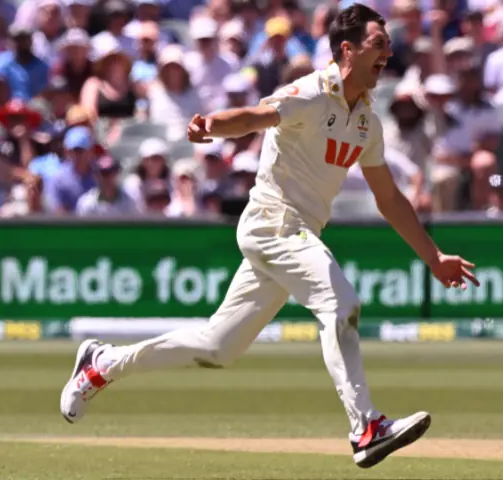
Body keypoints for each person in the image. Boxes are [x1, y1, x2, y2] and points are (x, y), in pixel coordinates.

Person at [59, 4, 478, 470]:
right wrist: (212, 126)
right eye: (378, 44)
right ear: (347, 49)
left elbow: (390, 199)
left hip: (295, 233)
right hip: (273, 222)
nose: (388, 53)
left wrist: (434, 256)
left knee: (217, 346)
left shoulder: (367, 122)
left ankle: (100, 364)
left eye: (387, 45)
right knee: (340, 304)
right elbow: (255, 116)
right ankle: (366, 427)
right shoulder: (311, 94)